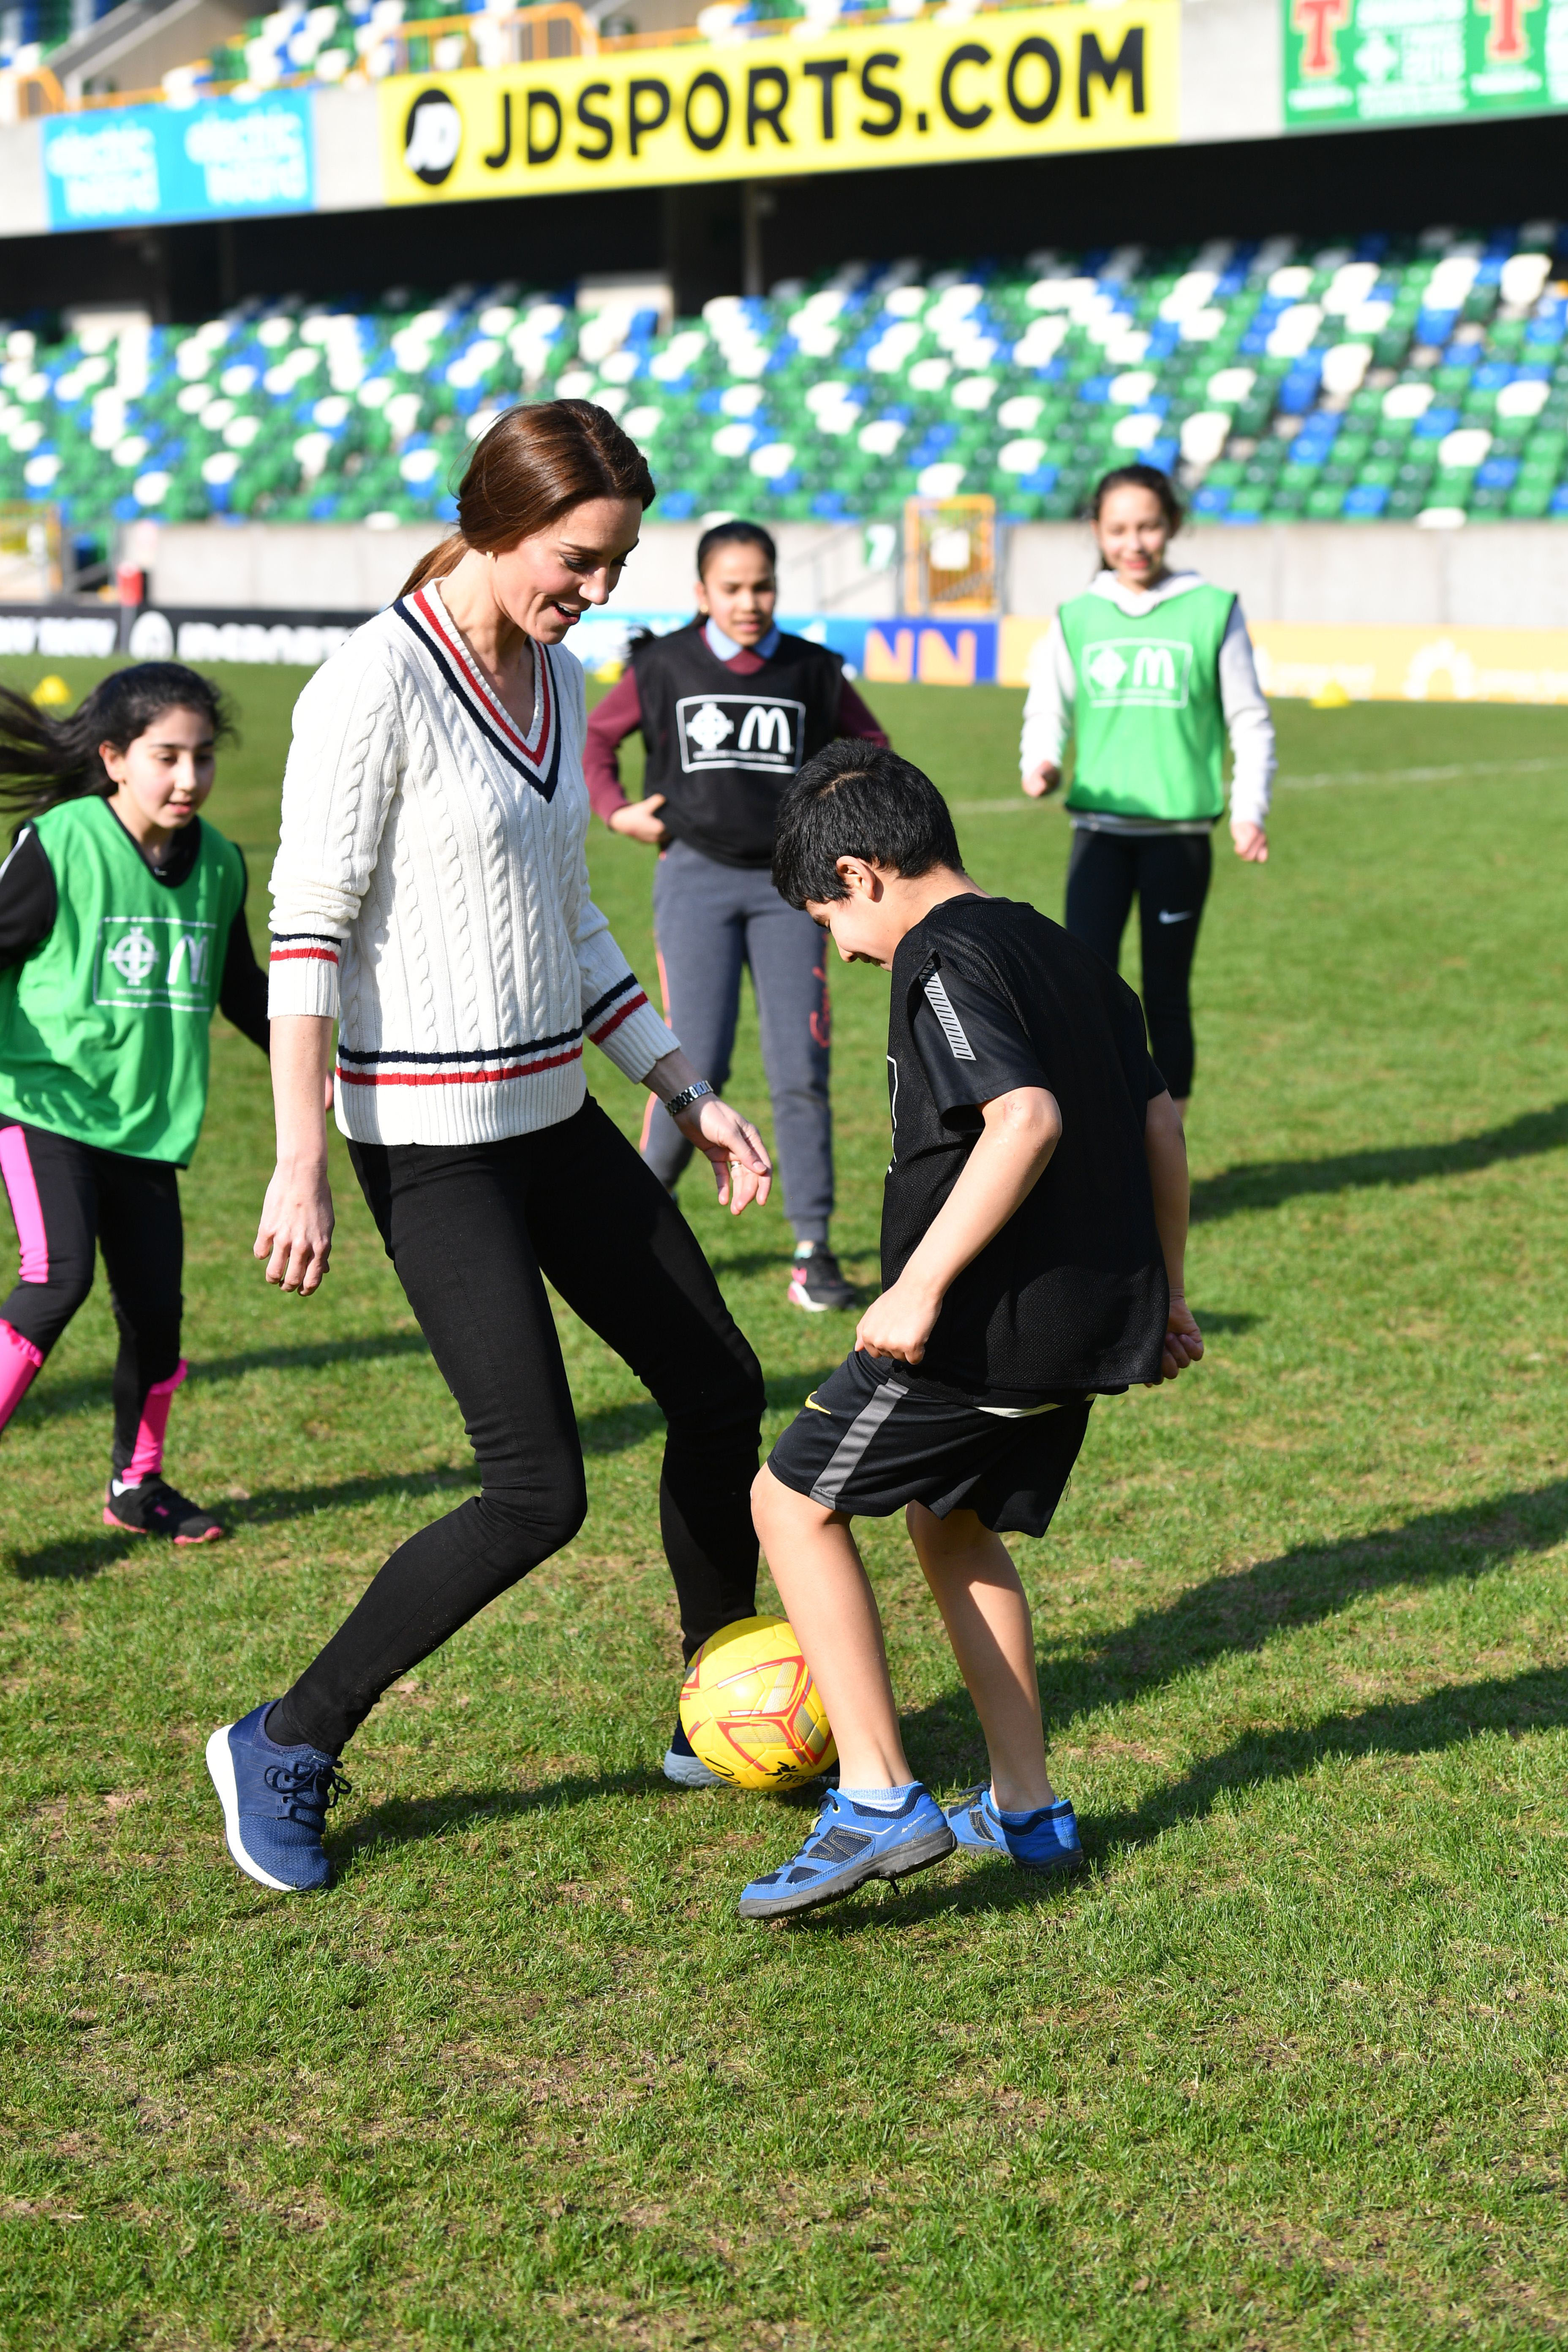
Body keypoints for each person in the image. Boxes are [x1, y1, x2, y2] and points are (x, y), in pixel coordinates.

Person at [206, 400, 778, 1898]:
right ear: (497, 524)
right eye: (579, 559)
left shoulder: (562, 675)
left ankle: (716, 1704)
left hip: (556, 1117)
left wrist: (683, 1085)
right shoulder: (371, 683)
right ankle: (283, 1738)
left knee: (720, 1389)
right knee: (537, 1491)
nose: (599, 589)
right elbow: (306, 933)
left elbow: (568, 921)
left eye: (618, 563)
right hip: (431, 1146)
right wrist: (299, 1159)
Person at [733, 743, 1202, 1920]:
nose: (841, 950)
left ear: (861, 873)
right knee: (950, 1521)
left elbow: (1025, 1117)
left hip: (987, 1327)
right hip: (1088, 1325)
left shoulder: (939, 955)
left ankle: (877, 1797)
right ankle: (1026, 1808)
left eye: (828, 920)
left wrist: (919, 1288)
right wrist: (1169, 1293)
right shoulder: (1062, 946)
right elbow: (1159, 1123)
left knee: (788, 1504)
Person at [585, 519, 889, 1313]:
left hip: (793, 893)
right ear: (702, 593)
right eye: (732, 589)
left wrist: (843, 831)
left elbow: (873, 749)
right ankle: (635, 1224)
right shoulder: (663, 665)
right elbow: (597, 741)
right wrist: (617, 811)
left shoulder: (811, 669)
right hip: (695, 881)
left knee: (801, 1069)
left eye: (763, 587)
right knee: (687, 1061)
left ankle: (813, 1248)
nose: (749, 602)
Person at [0, 664, 270, 1541]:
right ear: (115, 759)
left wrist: (322, 1065)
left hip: (148, 1123)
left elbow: (240, 989)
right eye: (167, 757)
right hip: (43, 1103)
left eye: (203, 757)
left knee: (156, 1315)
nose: (189, 777)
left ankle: (136, 1486)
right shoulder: (63, 841)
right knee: (57, 1277)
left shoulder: (220, 863)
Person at [1018, 463, 1275, 1116]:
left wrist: (1249, 810)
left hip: (1179, 841)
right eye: (1119, 530)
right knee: (1085, 992)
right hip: (1099, 836)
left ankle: (1170, 1152)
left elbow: (1249, 719)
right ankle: (1101, 1144)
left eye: (1149, 527)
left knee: (1165, 996)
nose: (1134, 543)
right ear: (1098, 533)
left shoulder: (1213, 610)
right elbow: (1049, 707)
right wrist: (1040, 760)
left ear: (1174, 526)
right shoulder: (1078, 616)